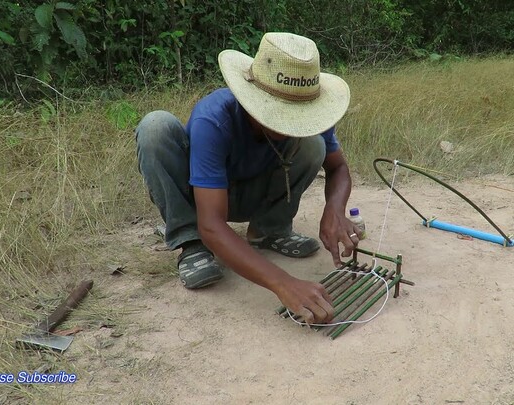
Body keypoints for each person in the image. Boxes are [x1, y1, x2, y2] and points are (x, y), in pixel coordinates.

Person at [135, 32, 362, 325]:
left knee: (314, 144)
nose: (291, 125)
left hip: (254, 192)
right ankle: (191, 243)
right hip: (206, 200)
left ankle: (269, 230)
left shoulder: (309, 115)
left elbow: (339, 168)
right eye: (282, 114)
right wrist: (283, 283)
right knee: (155, 127)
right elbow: (212, 224)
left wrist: (335, 209)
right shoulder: (214, 118)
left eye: (299, 115)